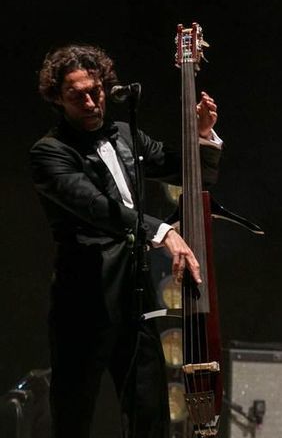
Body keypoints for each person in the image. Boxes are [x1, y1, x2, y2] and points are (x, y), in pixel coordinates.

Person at [30, 44, 222, 438]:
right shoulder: (49, 153)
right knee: (74, 409)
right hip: (84, 296)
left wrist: (201, 136)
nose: (89, 101)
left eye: (95, 91)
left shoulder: (124, 135)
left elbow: (184, 169)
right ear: (57, 98)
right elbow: (96, 208)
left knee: (149, 405)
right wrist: (163, 230)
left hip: (136, 294)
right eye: (76, 95)